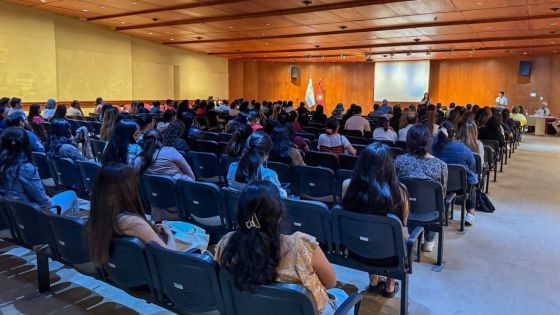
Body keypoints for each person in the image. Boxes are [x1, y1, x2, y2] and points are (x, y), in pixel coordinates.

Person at [215, 181, 351, 314]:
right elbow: (331, 282)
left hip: (252, 309)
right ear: (278, 215)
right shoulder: (301, 246)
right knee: (339, 293)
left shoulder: (226, 243)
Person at [341, 143, 409, 298]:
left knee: (365, 230)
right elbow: (403, 229)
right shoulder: (400, 192)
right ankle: (390, 286)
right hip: (389, 257)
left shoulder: (347, 186)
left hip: (355, 249)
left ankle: (373, 280)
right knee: (394, 236)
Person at [87, 164, 176, 267]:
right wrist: (169, 234)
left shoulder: (98, 217)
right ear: (127, 189)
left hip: (122, 274)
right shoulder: (132, 223)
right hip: (153, 275)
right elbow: (170, 258)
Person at [0, 127, 78, 214]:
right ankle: (67, 226)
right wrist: (48, 199)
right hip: (35, 216)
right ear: (25, 144)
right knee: (71, 194)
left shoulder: (4, 165)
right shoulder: (25, 168)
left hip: (13, 215)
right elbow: (44, 202)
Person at [394, 124, 447, 252]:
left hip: (405, 211)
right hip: (430, 213)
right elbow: (442, 194)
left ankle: (414, 234)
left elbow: (394, 187)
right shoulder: (441, 165)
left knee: (411, 199)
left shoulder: (399, 161)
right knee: (434, 203)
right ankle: (429, 240)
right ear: (429, 141)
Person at [433, 120, 477, 226]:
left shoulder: (432, 147)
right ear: (454, 134)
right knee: (472, 181)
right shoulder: (462, 148)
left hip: (438, 185)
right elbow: (472, 163)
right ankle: (470, 213)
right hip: (460, 187)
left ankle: (444, 209)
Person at [227, 132, 287, 197]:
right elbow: (282, 197)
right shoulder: (269, 176)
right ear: (266, 155)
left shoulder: (232, 167)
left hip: (236, 207)